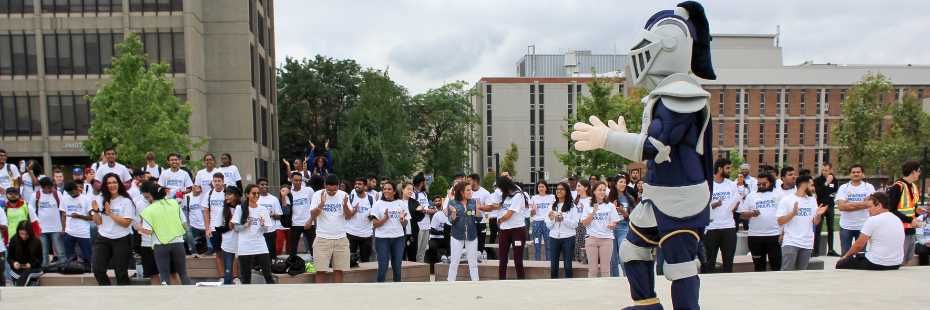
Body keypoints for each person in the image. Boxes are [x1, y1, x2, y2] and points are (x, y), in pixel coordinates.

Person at [138, 182, 192, 285]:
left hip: (161, 244)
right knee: (183, 273)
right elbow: (184, 224)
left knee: (164, 275)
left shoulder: (149, 210)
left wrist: (139, 227)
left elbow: (148, 231)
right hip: (178, 242)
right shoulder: (174, 203)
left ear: (150, 196)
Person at [837, 192, 905, 270]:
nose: (868, 210)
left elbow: (859, 245)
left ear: (879, 206)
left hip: (877, 263)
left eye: (870, 207)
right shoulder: (897, 219)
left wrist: (845, 256)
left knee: (841, 264)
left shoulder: (873, 220)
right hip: (896, 263)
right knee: (861, 254)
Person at [91, 173, 136, 285]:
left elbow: (126, 223)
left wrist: (110, 214)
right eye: (109, 183)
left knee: (121, 272)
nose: (112, 185)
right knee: (97, 269)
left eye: (114, 182)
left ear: (119, 184)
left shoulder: (126, 201)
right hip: (103, 237)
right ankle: (107, 291)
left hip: (121, 238)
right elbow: (98, 222)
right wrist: (96, 212)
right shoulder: (100, 199)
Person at [776, 175, 828, 271]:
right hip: (791, 242)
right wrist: (794, 213)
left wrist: (818, 215)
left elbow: (815, 223)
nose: (813, 188)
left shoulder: (812, 201)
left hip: (807, 243)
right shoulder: (787, 200)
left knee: (802, 273)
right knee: (786, 271)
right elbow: (780, 221)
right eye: (812, 185)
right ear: (804, 186)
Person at [309, 175, 352, 283]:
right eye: (329, 190)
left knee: (338, 270)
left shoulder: (344, 195)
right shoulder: (317, 195)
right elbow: (313, 215)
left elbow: (349, 216)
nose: (332, 192)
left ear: (338, 186)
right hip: (322, 238)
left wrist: (345, 205)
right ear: (325, 185)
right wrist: (322, 203)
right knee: (320, 270)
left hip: (340, 238)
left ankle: (337, 296)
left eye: (334, 190)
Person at [704, 158, 741, 273]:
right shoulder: (708, 184)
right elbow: (701, 207)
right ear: (720, 169)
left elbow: (736, 204)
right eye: (728, 168)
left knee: (728, 261)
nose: (730, 170)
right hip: (712, 227)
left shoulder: (732, 185)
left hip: (728, 227)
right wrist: (714, 205)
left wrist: (736, 206)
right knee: (710, 261)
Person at [739, 172, 782, 272]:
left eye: (764, 184)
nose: (761, 186)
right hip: (756, 236)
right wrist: (751, 214)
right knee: (759, 265)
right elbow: (743, 214)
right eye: (759, 184)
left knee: (776, 264)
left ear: (771, 183)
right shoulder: (751, 196)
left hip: (774, 235)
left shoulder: (779, 194)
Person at [887, 160, 926, 266]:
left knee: (907, 259)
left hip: (911, 230)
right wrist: (911, 219)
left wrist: (917, 212)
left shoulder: (914, 187)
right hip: (900, 229)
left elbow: (910, 208)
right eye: (918, 171)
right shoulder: (897, 187)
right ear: (913, 172)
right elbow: (891, 209)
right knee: (899, 260)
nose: (919, 173)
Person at [233, 184, 275, 284]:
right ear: (247, 194)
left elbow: (265, 230)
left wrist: (263, 225)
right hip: (245, 244)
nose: (256, 196)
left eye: (258, 193)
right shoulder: (240, 208)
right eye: (254, 193)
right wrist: (246, 225)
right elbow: (237, 228)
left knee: (267, 274)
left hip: (260, 244)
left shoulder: (263, 209)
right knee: (246, 276)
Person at [371, 181, 410, 282]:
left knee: (397, 266)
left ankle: (397, 288)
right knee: (383, 267)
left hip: (398, 238)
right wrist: (386, 218)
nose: (386, 191)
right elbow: (374, 224)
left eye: (389, 189)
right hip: (382, 239)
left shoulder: (401, 203)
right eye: (384, 189)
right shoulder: (378, 204)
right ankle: (380, 289)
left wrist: (402, 218)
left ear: (394, 191)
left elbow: (405, 224)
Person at [581, 181, 621, 278]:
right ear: (594, 191)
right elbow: (584, 223)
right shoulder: (588, 206)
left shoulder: (610, 206)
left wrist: (612, 224)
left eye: (604, 190)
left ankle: (605, 290)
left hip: (606, 238)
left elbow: (614, 222)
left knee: (605, 269)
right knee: (593, 269)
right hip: (592, 238)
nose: (602, 192)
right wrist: (593, 212)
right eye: (599, 190)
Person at [445, 180, 483, 281]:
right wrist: (453, 213)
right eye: (468, 190)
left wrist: (478, 209)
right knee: (454, 262)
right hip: (457, 234)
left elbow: (478, 219)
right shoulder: (452, 203)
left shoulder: (474, 202)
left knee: (473, 262)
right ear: (462, 192)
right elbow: (451, 221)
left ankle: (476, 283)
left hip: (471, 234)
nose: (471, 192)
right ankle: (450, 283)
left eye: (471, 190)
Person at [835, 164, 875, 257]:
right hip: (846, 226)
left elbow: (868, 204)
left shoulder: (868, 187)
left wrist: (848, 204)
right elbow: (841, 207)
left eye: (858, 172)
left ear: (863, 174)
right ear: (850, 174)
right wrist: (862, 204)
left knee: (861, 254)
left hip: (863, 226)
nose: (856, 174)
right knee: (845, 254)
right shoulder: (844, 187)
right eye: (853, 172)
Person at [495, 176, 528, 280]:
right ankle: (501, 281)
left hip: (517, 230)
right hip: (505, 230)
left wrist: (500, 220)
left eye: (500, 187)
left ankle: (521, 281)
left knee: (517, 260)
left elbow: (508, 215)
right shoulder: (506, 195)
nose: (499, 190)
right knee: (503, 259)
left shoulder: (518, 195)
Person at [30, 177, 64, 267]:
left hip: (56, 227)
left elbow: (63, 210)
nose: (51, 189)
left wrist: (63, 227)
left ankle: (64, 267)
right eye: (48, 187)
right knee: (43, 252)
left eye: (51, 187)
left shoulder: (57, 194)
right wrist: (36, 226)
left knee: (60, 251)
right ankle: (44, 270)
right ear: (43, 187)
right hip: (42, 229)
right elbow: (32, 212)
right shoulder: (35, 196)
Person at [546, 182, 578, 278]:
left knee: (568, 265)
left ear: (567, 192)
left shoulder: (572, 207)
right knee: (554, 266)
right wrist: (552, 219)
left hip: (568, 237)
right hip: (554, 238)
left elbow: (575, 224)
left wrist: (563, 219)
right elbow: (548, 225)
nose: (559, 191)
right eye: (558, 189)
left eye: (562, 189)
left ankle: (569, 285)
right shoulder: (551, 206)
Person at [60, 181, 93, 261]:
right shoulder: (64, 199)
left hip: (83, 233)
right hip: (69, 232)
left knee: (87, 257)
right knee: (70, 257)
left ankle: (88, 270)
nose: (71, 195)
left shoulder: (86, 200)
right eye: (69, 193)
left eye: (73, 193)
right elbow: (63, 215)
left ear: (77, 189)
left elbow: (92, 217)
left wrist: (79, 216)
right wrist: (63, 229)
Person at [609, 175, 635, 277]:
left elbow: (631, 217)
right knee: (613, 260)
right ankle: (615, 279)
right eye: (621, 182)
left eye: (625, 182)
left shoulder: (629, 198)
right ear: (615, 184)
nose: (623, 184)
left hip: (624, 228)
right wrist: (613, 211)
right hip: (611, 229)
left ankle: (626, 278)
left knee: (623, 256)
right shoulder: (609, 198)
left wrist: (622, 211)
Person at [203, 172, 228, 277]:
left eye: (219, 181)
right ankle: (222, 276)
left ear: (223, 182)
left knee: (229, 252)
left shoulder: (227, 193)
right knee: (218, 252)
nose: (217, 183)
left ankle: (233, 276)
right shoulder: (209, 194)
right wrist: (207, 228)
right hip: (214, 227)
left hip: (226, 227)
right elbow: (206, 211)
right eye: (215, 181)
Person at [813, 162, 840, 257]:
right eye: (823, 170)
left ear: (830, 170)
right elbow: (818, 192)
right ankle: (816, 249)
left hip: (830, 205)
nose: (824, 172)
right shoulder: (817, 180)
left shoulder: (835, 180)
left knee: (831, 228)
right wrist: (826, 184)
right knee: (818, 228)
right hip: (821, 205)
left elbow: (835, 191)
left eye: (826, 170)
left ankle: (831, 249)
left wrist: (834, 194)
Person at [285, 172, 315, 256]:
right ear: (291, 181)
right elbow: (287, 210)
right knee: (293, 248)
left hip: (308, 222)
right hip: (295, 223)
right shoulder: (289, 193)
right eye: (296, 180)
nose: (298, 182)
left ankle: (315, 264)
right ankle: (292, 264)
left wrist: (311, 220)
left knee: (313, 247)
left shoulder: (309, 190)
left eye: (300, 180)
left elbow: (314, 206)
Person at [216, 186, 240, 284]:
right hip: (228, 244)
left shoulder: (241, 209)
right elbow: (218, 228)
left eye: (229, 194)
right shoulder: (222, 210)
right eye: (226, 194)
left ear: (236, 196)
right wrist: (229, 226)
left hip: (241, 244)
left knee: (243, 271)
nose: (227, 196)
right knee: (228, 274)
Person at [347, 178, 374, 263]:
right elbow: (347, 215)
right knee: (349, 259)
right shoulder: (350, 198)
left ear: (365, 187)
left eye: (359, 184)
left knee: (365, 260)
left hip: (366, 234)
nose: (357, 186)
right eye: (356, 184)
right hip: (351, 232)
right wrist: (354, 211)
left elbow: (375, 216)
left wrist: (371, 216)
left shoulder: (371, 199)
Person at [8, 221, 43, 286]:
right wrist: (14, 263)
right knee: (21, 275)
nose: (24, 236)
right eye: (21, 233)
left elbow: (40, 260)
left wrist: (30, 265)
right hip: (18, 268)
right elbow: (9, 258)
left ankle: (20, 290)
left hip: (33, 268)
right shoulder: (13, 240)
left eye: (26, 234)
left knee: (27, 273)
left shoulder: (37, 242)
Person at [256, 178, 283, 258]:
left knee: (271, 252)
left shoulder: (274, 199)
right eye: (262, 184)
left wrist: (272, 215)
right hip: (258, 230)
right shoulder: (255, 199)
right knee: (259, 252)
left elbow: (279, 216)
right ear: (258, 186)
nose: (264, 186)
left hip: (270, 230)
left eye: (266, 185)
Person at [468, 174, 493, 260]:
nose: (468, 183)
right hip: (469, 223)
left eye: (469, 181)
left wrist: (480, 207)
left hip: (480, 223)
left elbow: (490, 207)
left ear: (475, 182)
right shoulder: (467, 192)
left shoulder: (484, 193)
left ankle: (482, 260)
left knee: (481, 245)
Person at [401, 181, 426, 263]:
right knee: (401, 256)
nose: (410, 191)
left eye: (411, 190)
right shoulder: (397, 202)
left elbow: (419, 218)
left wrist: (418, 211)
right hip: (400, 233)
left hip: (413, 233)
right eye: (408, 189)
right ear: (402, 189)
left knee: (412, 256)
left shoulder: (414, 202)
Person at [530, 180, 555, 261]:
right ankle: (537, 260)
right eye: (539, 187)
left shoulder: (551, 197)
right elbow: (532, 213)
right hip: (537, 222)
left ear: (546, 188)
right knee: (537, 243)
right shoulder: (534, 198)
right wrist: (534, 209)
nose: (541, 188)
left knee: (548, 244)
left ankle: (549, 260)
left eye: (542, 187)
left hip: (547, 222)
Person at [413, 174, 434, 263]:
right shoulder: (414, 194)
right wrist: (425, 211)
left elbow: (427, 206)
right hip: (419, 225)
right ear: (422, 183)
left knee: (423, 250)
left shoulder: (425, 194)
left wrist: (430, 210)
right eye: (424, 182)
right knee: (416, 249)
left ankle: (421, 268)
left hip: (426, 224)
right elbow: (413, 209)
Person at [183, 183, 208, 257]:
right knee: (195, 244)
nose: (194, 187)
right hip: (194, 225)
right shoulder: (188, 197)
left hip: (204, 225)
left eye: (196, 186)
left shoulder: (204, 196)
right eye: (193, 186)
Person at [426, 199, 447, 273]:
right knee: (432, 247)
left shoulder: (452, 216)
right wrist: (443, 232)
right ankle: (433, 266)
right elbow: (432, 230)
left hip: (446, 238)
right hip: (435, 238)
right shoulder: (437, 215)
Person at [573, 180, 591, 263]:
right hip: (577, 226)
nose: (577, 188)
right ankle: (578, 261)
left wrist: (585, 211)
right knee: (577, 246)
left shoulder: (590, 200)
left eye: (579, 186)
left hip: (587, 226)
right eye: (577, 186)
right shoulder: (576, 201)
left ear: (586, 188)